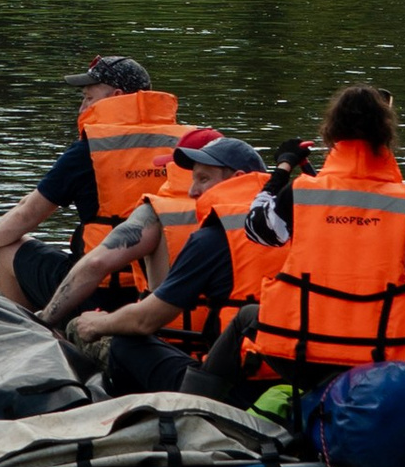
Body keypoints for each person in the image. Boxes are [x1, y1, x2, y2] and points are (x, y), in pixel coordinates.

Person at [192, 82, 405, 416]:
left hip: (300, 355)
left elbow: (257, 230)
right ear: (387, 136)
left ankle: (193, 408)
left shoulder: (304, 194)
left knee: (246, 317)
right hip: (384, 357)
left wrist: (282, 170)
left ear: (331, 134)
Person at [44, 134, 269, 395]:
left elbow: (145, 321)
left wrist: (93, 324)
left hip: (219, 384)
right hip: (282, 370)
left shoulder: (213, 237)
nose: (192, 191)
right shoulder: (292, 226)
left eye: (203, 179)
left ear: (236, 178)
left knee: (107, 337)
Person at [0, 56, 187, 315]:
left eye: (88, 98)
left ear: (116, 96)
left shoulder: (91, 151)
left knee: (7, 246)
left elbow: (29, 214)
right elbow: (28, 201)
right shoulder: (187, 147)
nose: (82, 107)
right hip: (170, 292)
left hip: (100, 292)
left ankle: (27, 339)